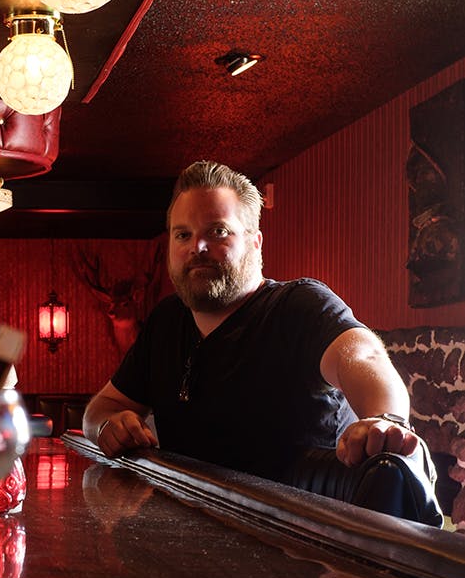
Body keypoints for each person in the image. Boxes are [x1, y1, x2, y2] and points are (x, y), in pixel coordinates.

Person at [83, 160, 420, 482]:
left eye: (217, 231)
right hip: (191, 531)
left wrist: (385, 419)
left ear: (255, 243)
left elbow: (364, 356)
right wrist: (106, 426)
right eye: (182, 235)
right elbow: (102, 408)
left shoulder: (299, 306)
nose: (197, 247)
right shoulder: (166, 321)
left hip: (300, 535)